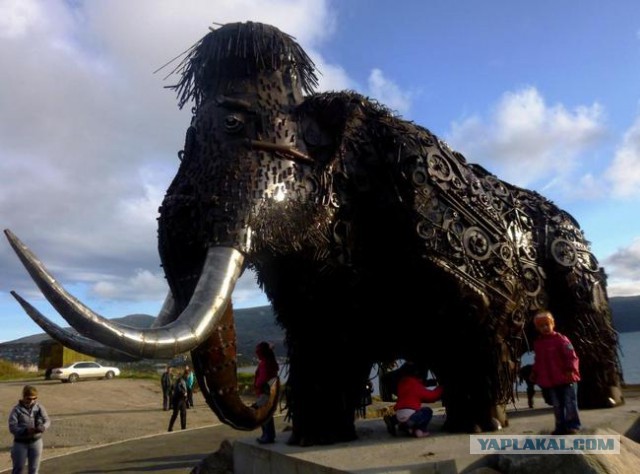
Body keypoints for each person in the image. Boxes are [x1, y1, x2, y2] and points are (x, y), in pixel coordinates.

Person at [530, 310, 581, 435]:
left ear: (553, 324)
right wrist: (535, 372)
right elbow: (538, 361)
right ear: (537, 328)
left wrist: (570, 370)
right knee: (557, 406)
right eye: (541, 326)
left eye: (547, 324)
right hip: (551, 381)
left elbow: (571, 356)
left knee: (570, 403)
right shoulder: (538, 344)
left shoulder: (561, 340)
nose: (545, 328)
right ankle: (560, 426)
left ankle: (572, 425)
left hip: (567, 378)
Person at [384, 362, 443, 438]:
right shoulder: (416, 385)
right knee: (427, 411)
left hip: (399, 414)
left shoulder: (401, 384)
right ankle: (419, 429)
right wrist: (441, 388)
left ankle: (394, 420)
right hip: (410, 414)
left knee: (404, 414)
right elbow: (432, 396)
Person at [8, 385, 51, 474]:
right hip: (20, 443)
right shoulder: (16, 410)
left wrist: (43, 427)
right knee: (18, 469)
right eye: (29, 399)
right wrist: (25, 431)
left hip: (36, 442)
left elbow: (47, 420)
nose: (32, 401)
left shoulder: (39, 407)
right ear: (24, 397)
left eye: (34, 398)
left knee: (34, 469)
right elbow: (12, 427)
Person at [253, 341, 279, 444]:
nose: (257, 353)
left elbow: (262, 379)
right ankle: (268, 435)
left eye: (258, 351)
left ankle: (267, 436)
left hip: (264, 393)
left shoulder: (264, 363)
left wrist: (257, 385)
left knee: (263, 415)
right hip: (269, 392)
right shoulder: (270, 361)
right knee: (267, 414)